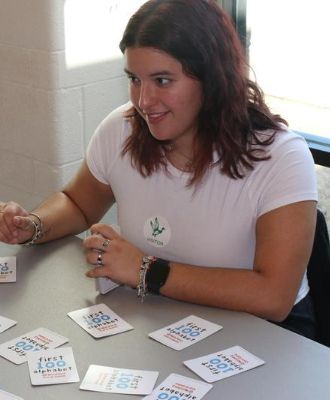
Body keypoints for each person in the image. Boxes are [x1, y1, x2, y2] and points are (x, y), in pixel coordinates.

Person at [0, 0, 317, 339]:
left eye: (163, 80)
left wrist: (145, 271)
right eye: (134, 79)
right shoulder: (122, 128)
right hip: (160, 319)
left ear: (212, 78)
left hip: (269, 337)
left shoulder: (281, 157)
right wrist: (33, 225)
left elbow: (273, 296)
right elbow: (78, 203)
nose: (144, 101)